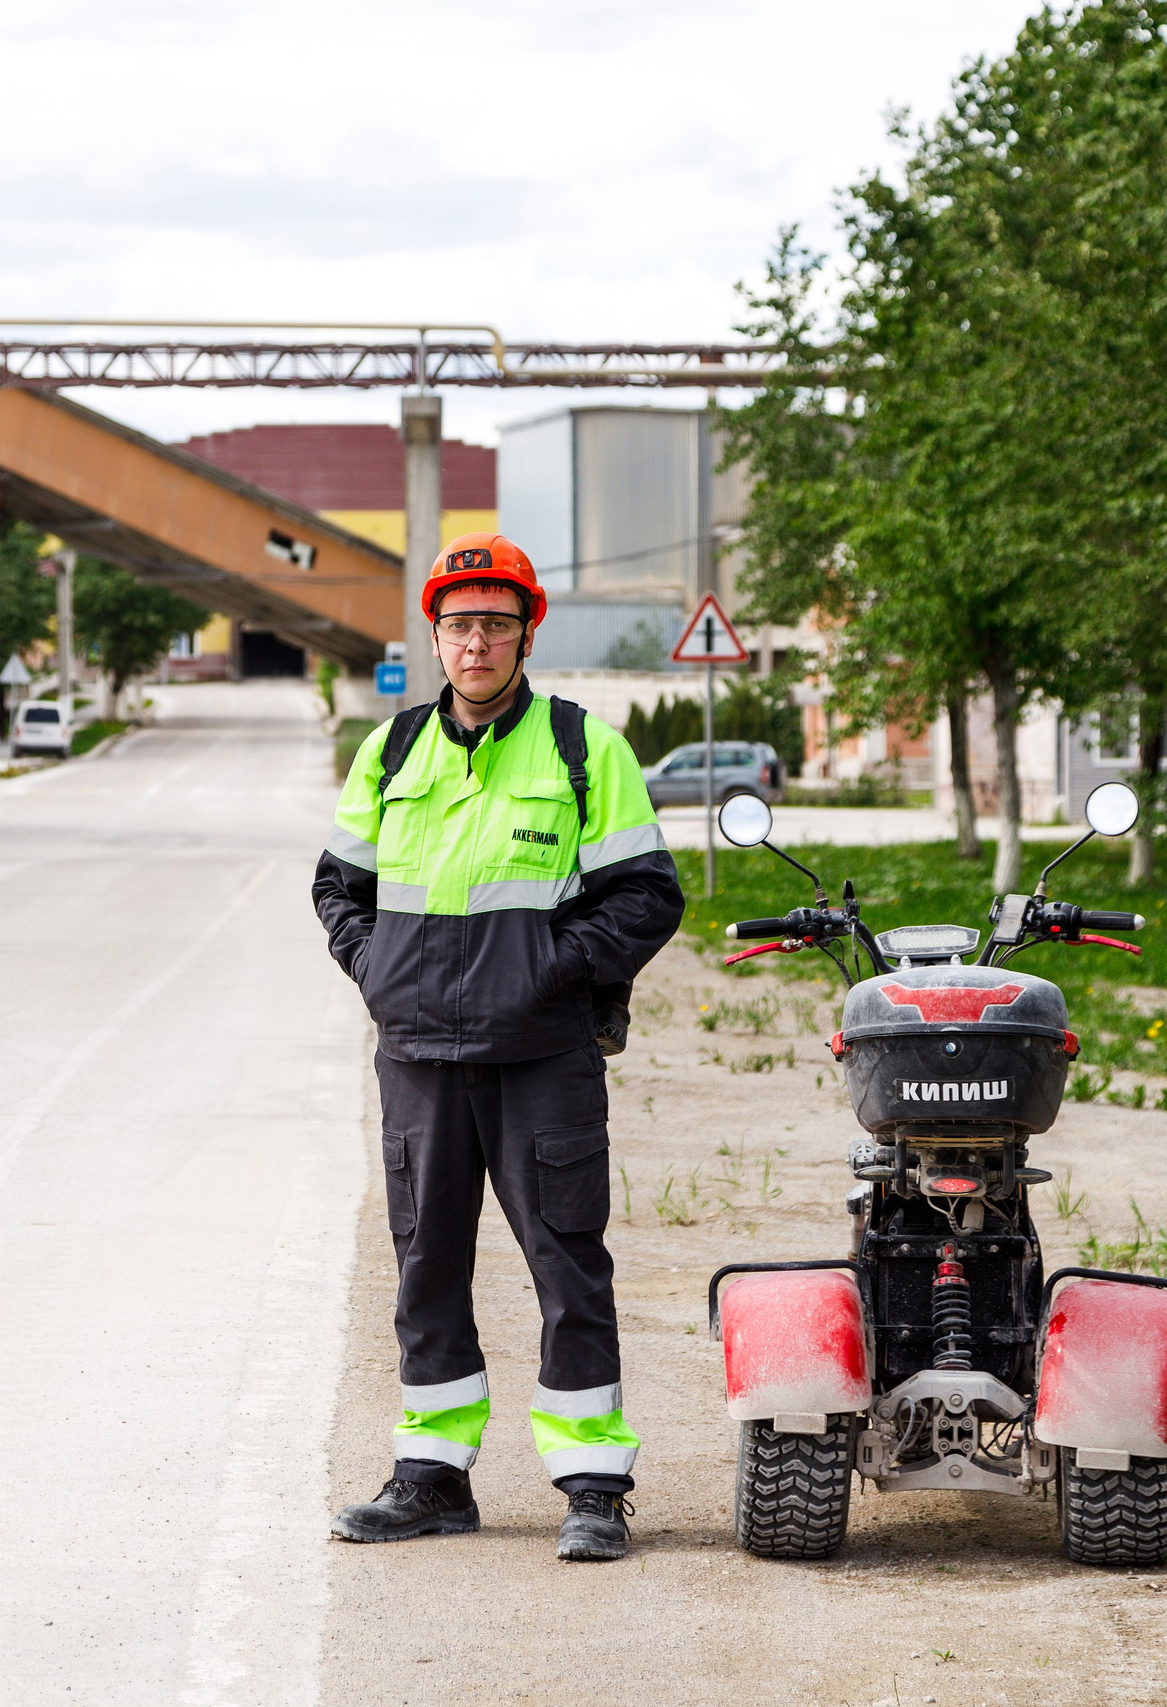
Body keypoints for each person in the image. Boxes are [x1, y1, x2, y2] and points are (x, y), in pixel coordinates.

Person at [314, 532, 683, 1562]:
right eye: (459, 625)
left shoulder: (580, 749)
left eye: (494, 625)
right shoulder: (390, 752)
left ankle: (593, 1486)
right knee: (426, 1264)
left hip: (541, 1057)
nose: (475, 644)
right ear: (434, 637)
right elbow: (337, 886)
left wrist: (548, 972)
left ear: (525, 636)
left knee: (566, 1262)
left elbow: (648, 897)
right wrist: (381, 968)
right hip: (420, 1055)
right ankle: (432, 1479)